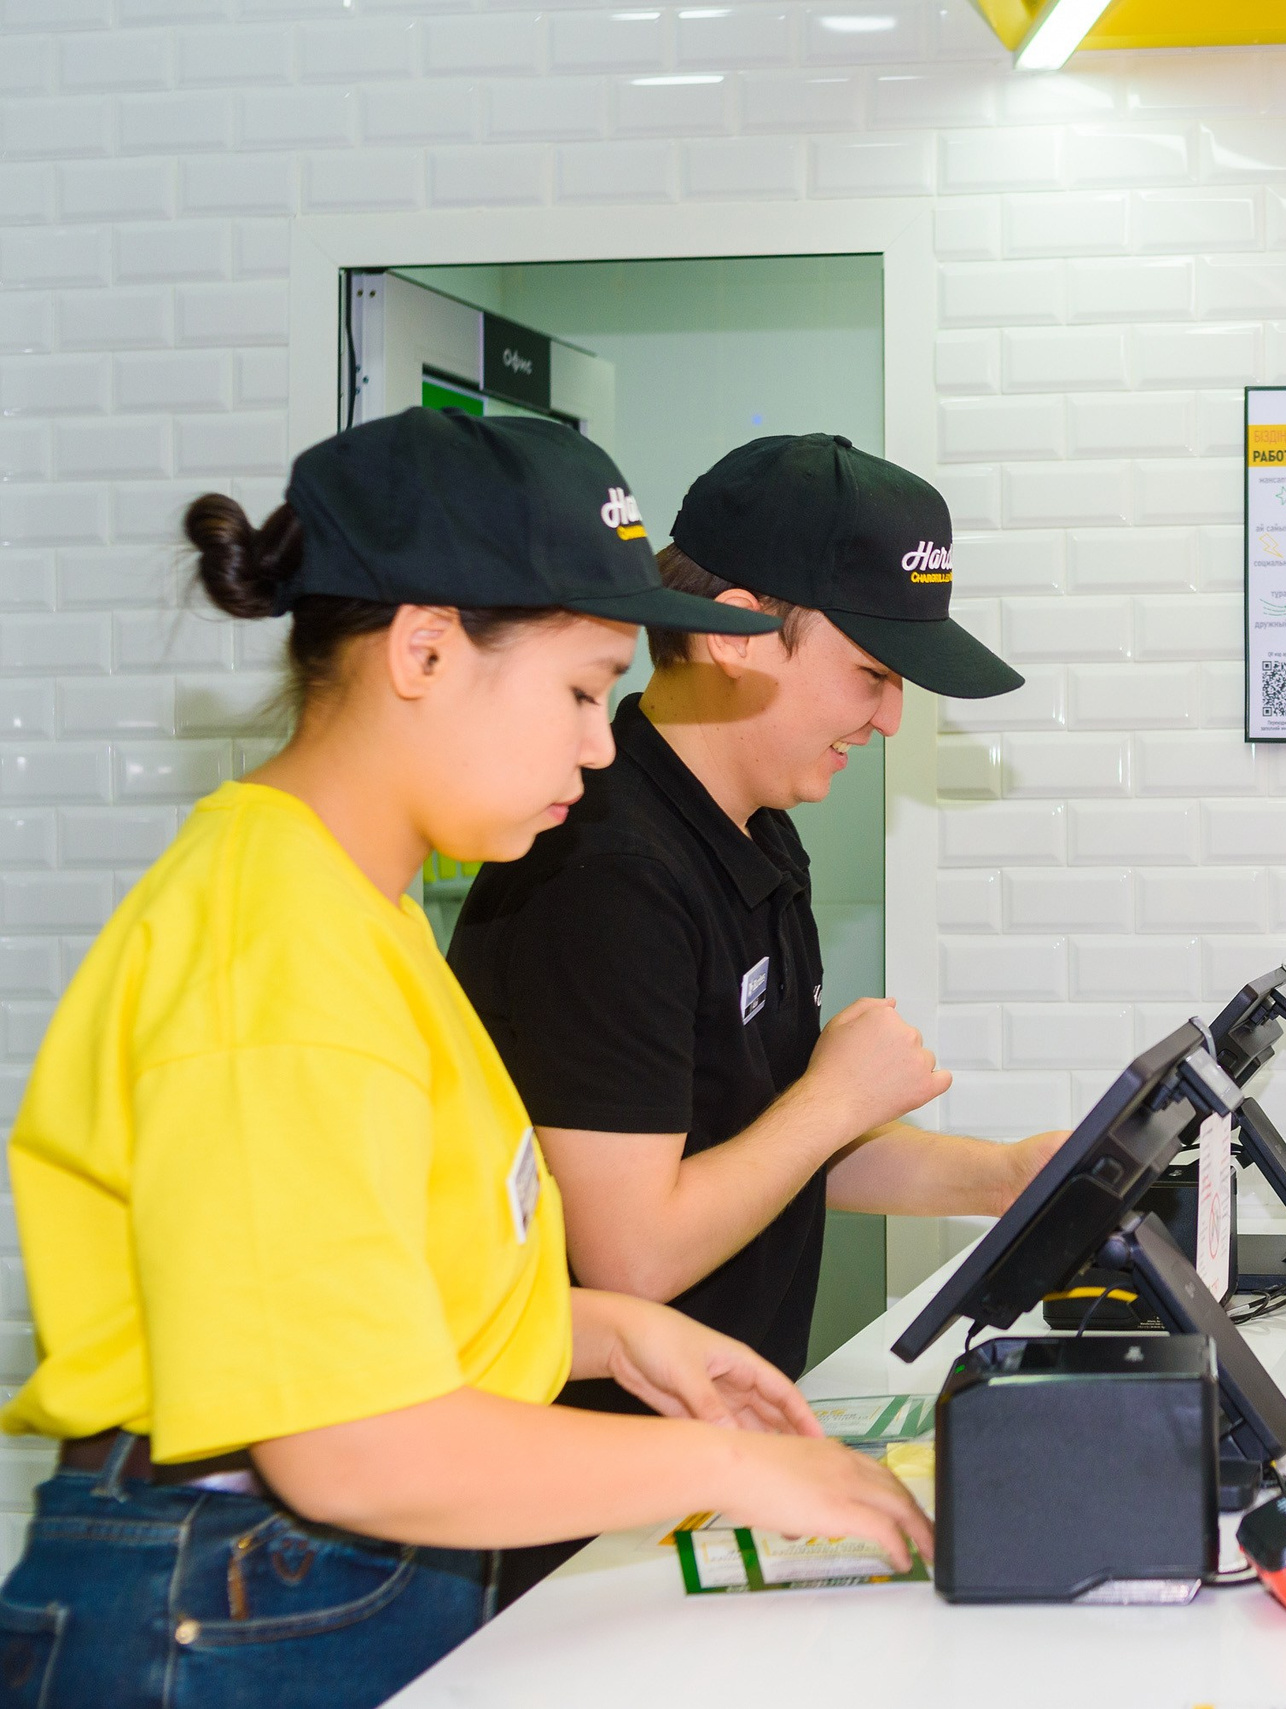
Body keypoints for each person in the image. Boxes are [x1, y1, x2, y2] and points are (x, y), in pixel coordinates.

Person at [0, 411, 930, 1709]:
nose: (603, 746)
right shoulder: (274, 951)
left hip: (305, 1580)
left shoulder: (347, 909)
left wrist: (611, 1332)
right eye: (577, 691)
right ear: (426, 648)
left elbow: (367, 1300)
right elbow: (351, 1442)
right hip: (224, 1595)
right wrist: (742, 1472)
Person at [445, 434, 1053, 1599]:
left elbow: (761, 1143)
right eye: (873, 672)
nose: (887, 718)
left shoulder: (753, 833)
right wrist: (835, 1095)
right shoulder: (605, 872)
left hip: (703, 1469)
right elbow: (631, 1251)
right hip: (582, 1517)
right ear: (733, 633)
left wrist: (1007, 1177)